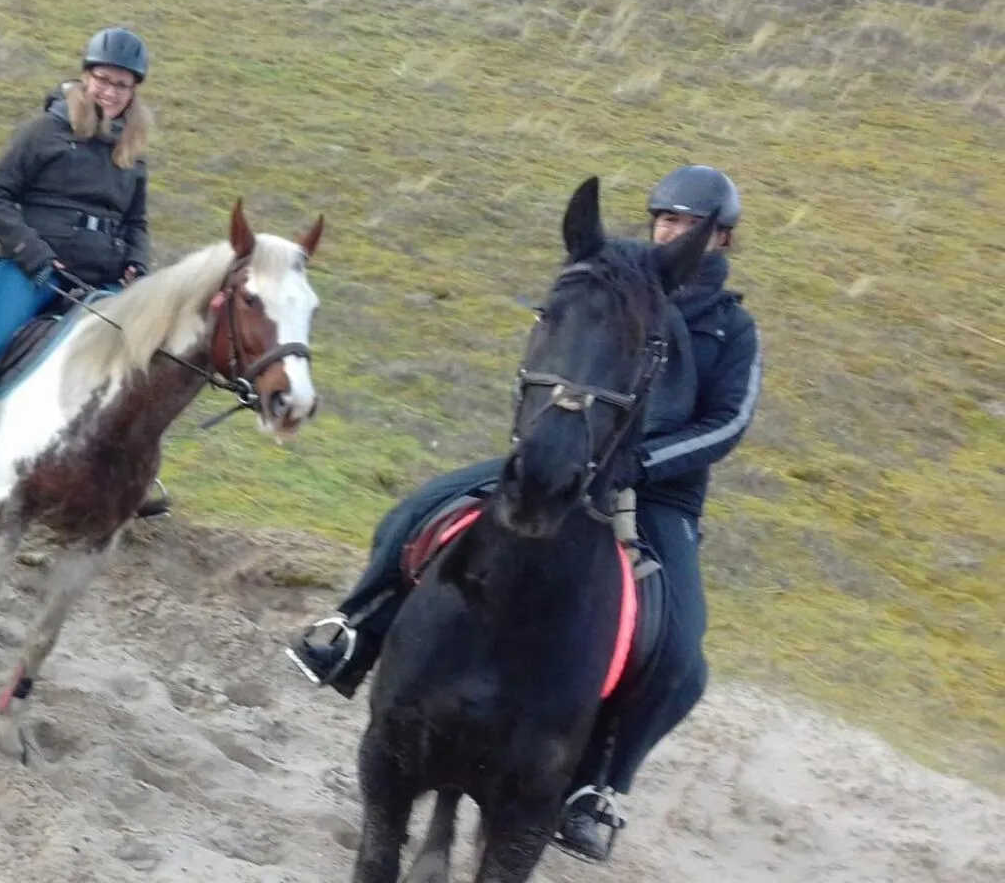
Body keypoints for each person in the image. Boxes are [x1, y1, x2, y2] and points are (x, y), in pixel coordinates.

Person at [285, 164, 764, 861]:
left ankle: (599, 786)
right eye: (665, 219)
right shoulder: (612, 282)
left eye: (690, 225)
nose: (673, 232)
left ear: (720, 238)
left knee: (682, 656)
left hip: (657, 490)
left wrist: (645, 462)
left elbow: (729, 422)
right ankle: (351, 631)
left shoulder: (731, 328)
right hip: (566, 453)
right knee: (418, 511)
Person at [0, 26, 156, 502]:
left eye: (121, 85)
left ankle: (123, 466)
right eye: (103, 80)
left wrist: (136, 264)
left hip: (99, 281)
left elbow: (137, 223)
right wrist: (33, 253)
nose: (110, 92)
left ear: (133, 93)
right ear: (86, 77)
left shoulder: (133, 151)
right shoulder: (44, 131)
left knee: (131, 362)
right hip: (32, 270)